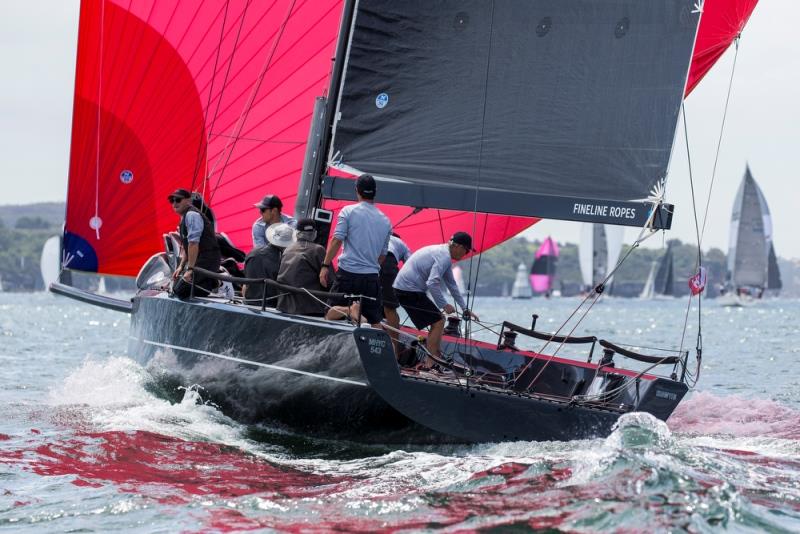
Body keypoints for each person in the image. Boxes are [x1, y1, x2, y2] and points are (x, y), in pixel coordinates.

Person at [393, 232, 479, 366]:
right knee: (438, 322)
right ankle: (430, 364)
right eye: (467, 250)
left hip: (406, 289)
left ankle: (431, 360)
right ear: (458, 247)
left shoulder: (443, 254)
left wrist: (465, 308)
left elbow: (452, 284)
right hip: (408, 290)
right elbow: (432, 283)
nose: (466, 254)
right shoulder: (443, 256)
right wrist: (444, 304)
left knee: (438, 320)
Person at [320, 174, 391, 326]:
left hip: (348, 275)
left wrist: (325, 266)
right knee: (374, 322)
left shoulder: (348, 211)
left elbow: (337, 240)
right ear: (375, 192)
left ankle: (349, 310)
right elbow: (382, 256)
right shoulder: (386, 220)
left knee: (328, 314)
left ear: (357, 190)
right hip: (371, 278)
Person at [169, 188, 222, 299]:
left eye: (178, 200)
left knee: (181, 291)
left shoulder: (191, 215)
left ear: (188, 200)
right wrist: (181, 266)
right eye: (172, 200)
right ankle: (213, 282)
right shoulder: (184, 218)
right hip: (200, 259)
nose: (174, 203)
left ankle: (217, 283)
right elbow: (187, 246)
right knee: (176, 287)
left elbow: (193, 244)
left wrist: (190, 270)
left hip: (208, 259)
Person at [276, 219, 332, 316]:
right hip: (310, 308)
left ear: (296, 232)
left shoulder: (287, 249)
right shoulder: (318, 250)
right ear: (315, 233)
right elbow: (330, 280)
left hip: (284, 305)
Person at [242, 222, 294, 305]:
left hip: (249, 301)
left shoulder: (253, 252)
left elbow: (246, 281)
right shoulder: (283, 259)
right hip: (271, 305)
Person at [381, 233, 411, 345]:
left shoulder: (379, 236)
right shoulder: (401, 243)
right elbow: (410, 263)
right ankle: (395, 348)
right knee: (390, 308)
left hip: (368, 263)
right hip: (388, 265)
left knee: (367, 303)